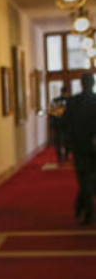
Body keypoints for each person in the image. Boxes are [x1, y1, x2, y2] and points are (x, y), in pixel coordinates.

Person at [62, 74, 96, 225]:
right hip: (94, 145)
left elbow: (64, 123)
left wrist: (69, 140)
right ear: (93, 84)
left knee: (84, 178)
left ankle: (86, 209)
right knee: (91, 179)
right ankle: (83, 206)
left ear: (82, 84)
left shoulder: (72, 102)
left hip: (79, 145)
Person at [48, 86, 71, 163]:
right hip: (65, 125)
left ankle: (60, 156)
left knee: (60, 141)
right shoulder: (69, 101)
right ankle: (65, 156)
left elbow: (52, 114)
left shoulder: (56, 100)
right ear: (67, 92)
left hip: (59, 124)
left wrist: (52, 124)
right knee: (65, 141)